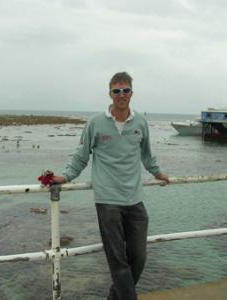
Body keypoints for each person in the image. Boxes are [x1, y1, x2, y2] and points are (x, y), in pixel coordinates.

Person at [53, 71, 169, 300]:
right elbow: (81, 155)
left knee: (139, 257)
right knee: (118, 260)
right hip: (107, 201)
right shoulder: (95, 123)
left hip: (135, 199)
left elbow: (146, 155)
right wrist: (66, 176)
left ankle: (115, 296)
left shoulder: (140, 123)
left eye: (125, 90)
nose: (121, 95)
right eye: (117, 91)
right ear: (110, 93)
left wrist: (157, 172)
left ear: (131, 93)